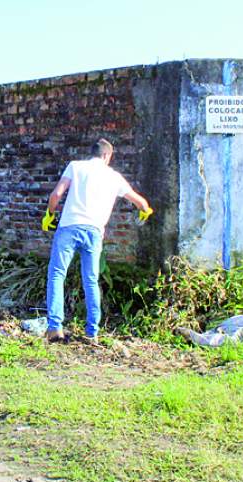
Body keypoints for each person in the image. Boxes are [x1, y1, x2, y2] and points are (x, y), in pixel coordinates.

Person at [42, 138, 153, 344]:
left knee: (57, 274)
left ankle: (55, 327)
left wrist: (50, 215)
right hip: (94, 232)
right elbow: (141, 202)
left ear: (93, 153)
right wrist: (145, 212)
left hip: (69, 227)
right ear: (107, 156)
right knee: (91, 280)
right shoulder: (115, 177)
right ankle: (92, 333)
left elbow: (56, 195)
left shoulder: (76, 166)